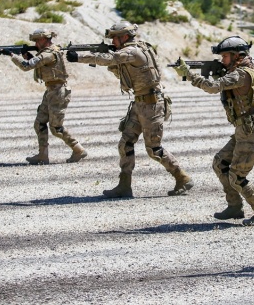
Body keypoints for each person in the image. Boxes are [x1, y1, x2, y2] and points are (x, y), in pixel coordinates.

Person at [65, 21, 193, 198]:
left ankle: (182, 177)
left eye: (115, 38)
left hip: (151, 104)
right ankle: (124, 185)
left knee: (154, 149)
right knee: (125, 143)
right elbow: (118, 67)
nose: (114, 42)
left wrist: (79, 57)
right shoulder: (136, 49)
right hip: (140, 103)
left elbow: (110, 59)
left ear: (125, 37)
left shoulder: (132, 51)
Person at [173, 36, 254, 226]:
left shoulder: (240, 74)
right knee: (220, 163)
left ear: (236, 56)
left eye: (225, 56)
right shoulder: (239, 72)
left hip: (252, 131)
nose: (222, 60)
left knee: (237, 175)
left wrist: (188, 74)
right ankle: (234, 206)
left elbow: (212, 87)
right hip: (245, 129)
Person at [8, 28, 87, 165]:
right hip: (51, 90)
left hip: (58, 92)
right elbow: (38, 63)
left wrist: (13, 56)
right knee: (39, 123)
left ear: (45, 39)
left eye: (38, 40)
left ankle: (78, 149)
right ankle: (42, 155)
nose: (36, 43)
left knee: (56, 128)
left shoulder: (49, 54)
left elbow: (27, 66)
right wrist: (27, 55)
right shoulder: (47, 53)